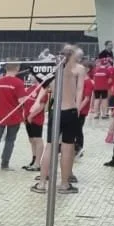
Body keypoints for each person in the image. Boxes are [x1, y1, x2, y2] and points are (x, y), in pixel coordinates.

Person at [33, 46, 86, 195]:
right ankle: (64, 184)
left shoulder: (54, 69)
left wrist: (37, 102)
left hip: (55, 111)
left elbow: (44, 87)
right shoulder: (79, 69)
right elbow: (80, 90)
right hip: (70, 111)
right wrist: (77, 109)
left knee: (50, 147)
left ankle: (42, 184)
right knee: (67, 148)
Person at [0, 64, 26, 171]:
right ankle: (5, 164)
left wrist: (1, 98)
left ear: (6, 69)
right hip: (14, 116)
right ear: (17, 68)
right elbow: (21, 101)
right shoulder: (18, 83)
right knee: (10, 140)